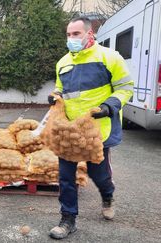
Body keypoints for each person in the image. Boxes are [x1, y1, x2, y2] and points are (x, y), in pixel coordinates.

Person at [48, 17, 134, 239]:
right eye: (68, 35)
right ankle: (68, 219)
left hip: (97, 130)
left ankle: (108, 195)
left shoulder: (109, 57)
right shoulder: (63, 62)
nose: (71, 39)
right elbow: (61, 88)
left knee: (99, 174)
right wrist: (55, 96)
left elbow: (125, 88)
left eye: (76, 34)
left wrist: (109, 106)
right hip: (70, 132)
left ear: (90, 34)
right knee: (67, 177)